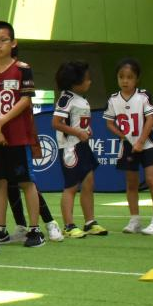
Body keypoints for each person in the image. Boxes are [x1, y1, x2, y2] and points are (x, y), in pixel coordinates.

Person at [0, 20, 56, 249]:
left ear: (13, 43)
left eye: (3, 40)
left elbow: (25, 100)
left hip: (19, 136)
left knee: (26, 182)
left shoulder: (22, 69)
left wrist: (2, 121)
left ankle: (34, 230)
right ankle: (0, 229)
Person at [104, 58, 153, 235]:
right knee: (131, 183)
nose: (125, 81)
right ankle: (135, 220)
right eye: (121, 77)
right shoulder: (113, 99)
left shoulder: (144, 96)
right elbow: (109, 122)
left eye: (129, 77)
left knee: (151, 179)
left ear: (137, 79)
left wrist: (140, 141)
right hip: (127, 147)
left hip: (146, 145)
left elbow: (150, 119)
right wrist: (122, 135)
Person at [52, 61, 105, 239]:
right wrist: (77, 133)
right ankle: (68, 225)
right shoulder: (65, 99)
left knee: (89, 183)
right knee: (71, 187)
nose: (90, 82)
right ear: (75, 82)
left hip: (83, 146)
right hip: (70, 148)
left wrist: (87, 131)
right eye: (87, 79)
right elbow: (56, 123)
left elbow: (79, 122)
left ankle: (90, 222)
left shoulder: (81, 100)